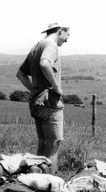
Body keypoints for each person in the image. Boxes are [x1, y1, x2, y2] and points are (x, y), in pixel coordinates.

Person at [16, 22, 70, 174]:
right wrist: (57, 87)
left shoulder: (36, 46)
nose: (67, 40)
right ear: (60, 31)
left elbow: (20, 74)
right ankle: (49, 185)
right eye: (67, 35)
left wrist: (34, 89)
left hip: (36, 101)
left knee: (43, 144)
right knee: (53, 145)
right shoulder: (51, 45)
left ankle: (34, 181)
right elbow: (45, 63)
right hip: (50, 103)